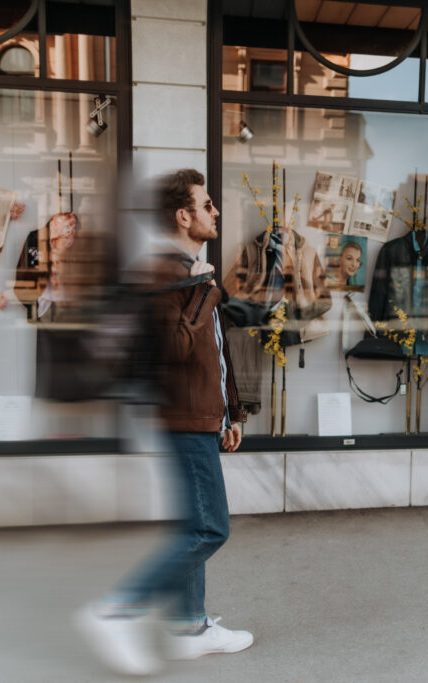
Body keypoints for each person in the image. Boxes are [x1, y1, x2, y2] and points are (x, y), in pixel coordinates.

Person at [76, 169, 252, 677]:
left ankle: (189, 629)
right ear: (184, 215)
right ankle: (117, 610)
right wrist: (202, 287)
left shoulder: (188, 269)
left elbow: (212, 352)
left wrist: (230, 412)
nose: (215, 212)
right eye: (207, 204)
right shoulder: (162, 271)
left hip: (199, 415)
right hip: (180, 419)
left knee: (192, 525)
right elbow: (174, 349)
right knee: (209, 528)